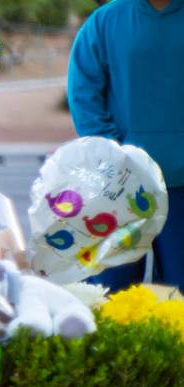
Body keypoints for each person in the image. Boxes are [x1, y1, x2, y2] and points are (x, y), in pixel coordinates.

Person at [68, 0, 184, 291]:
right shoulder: (105, 22)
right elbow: (84, 94)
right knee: (109, 295)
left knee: (179, 298)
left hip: (183, 187)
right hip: (119, 184)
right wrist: (113, 153)